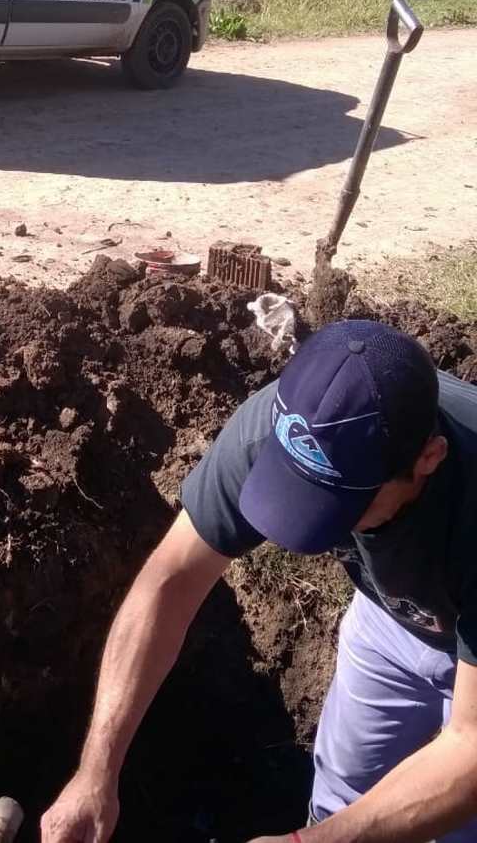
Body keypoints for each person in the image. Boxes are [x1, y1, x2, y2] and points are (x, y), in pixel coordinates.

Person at [41, 319, 477, 843]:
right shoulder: (280, 429)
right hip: (389, 617)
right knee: (345, 793)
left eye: (344, 502)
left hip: (461, 606)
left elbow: (469, 752)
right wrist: (96, 773)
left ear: (428, 458)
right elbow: (169, 582)